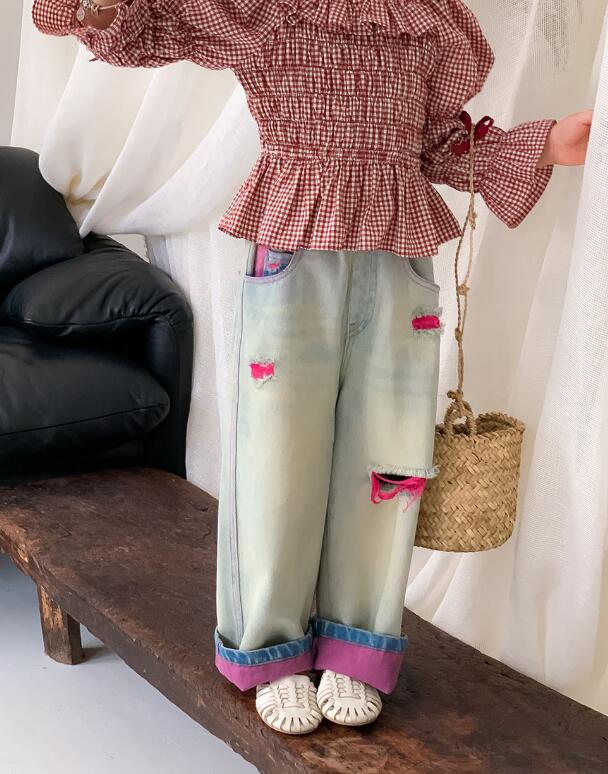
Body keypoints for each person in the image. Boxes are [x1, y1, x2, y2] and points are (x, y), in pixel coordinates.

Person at [33, 0, 592, 736]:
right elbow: (152, 28)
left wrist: (542, 144)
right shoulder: (268, 12)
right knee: (276, 459)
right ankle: (269, 651)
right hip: (295, 253)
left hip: (397, 258)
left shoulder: (427, 21)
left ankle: (359, 646)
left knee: (386, 462)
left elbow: (435, 143)